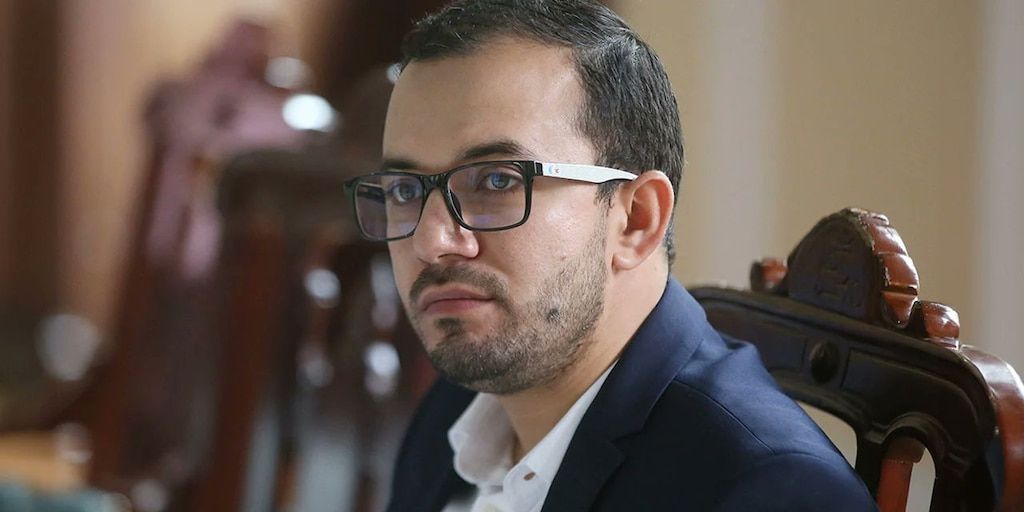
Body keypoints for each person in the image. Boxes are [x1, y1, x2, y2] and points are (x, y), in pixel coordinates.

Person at [343, 0, 878, 510]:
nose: (431, 242)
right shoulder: (456, 407)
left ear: (636, 219)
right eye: (405, 190)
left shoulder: (767, 490)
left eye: (497, 181)